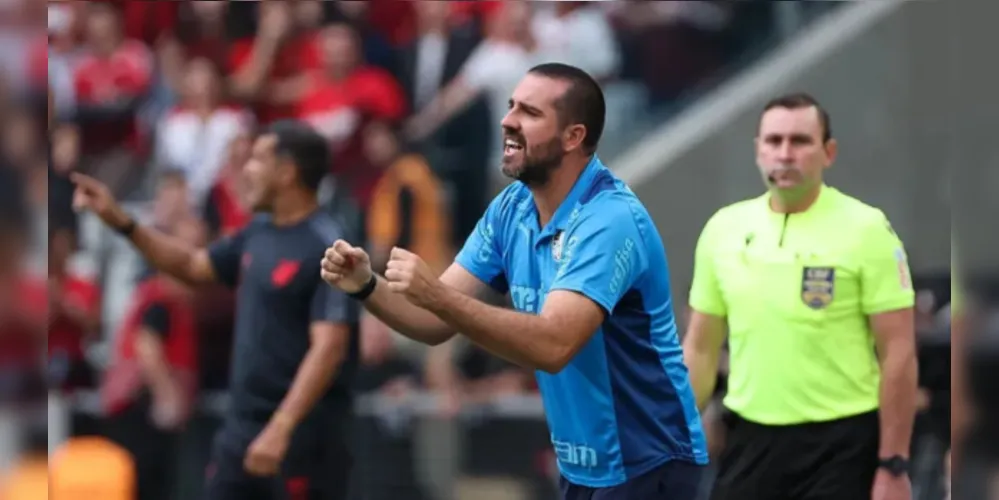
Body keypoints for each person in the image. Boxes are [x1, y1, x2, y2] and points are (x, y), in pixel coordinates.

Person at [322, 62, 708, 500]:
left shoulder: (609, 220)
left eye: (529, 112)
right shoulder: (511, 208)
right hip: (583, 465)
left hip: (648, 462)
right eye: (510, 107)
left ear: (573, 137)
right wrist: (365, 285)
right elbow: (431, 323)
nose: (507, 120)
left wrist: (436, 296)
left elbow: (553, 345)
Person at [71, 120, 359, 500]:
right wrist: (121, 222)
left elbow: (330, 347)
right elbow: (192, 266)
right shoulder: (257, 232)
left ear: (287, 172)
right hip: (240, 434)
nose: (246, 171)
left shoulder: (327, 244)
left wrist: (281, 427)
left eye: (257, 159)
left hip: (301, 440)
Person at [681, 93, 918, 500]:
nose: (785, 154)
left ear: (829, 152)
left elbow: (897, 353)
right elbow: (701, 349)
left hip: (842, 445)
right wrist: (672, 437)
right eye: (773, 141)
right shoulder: (723, 229)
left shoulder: (867, 229)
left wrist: (893, 464)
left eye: (800, 141)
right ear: (758, 150)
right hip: (749, 439)